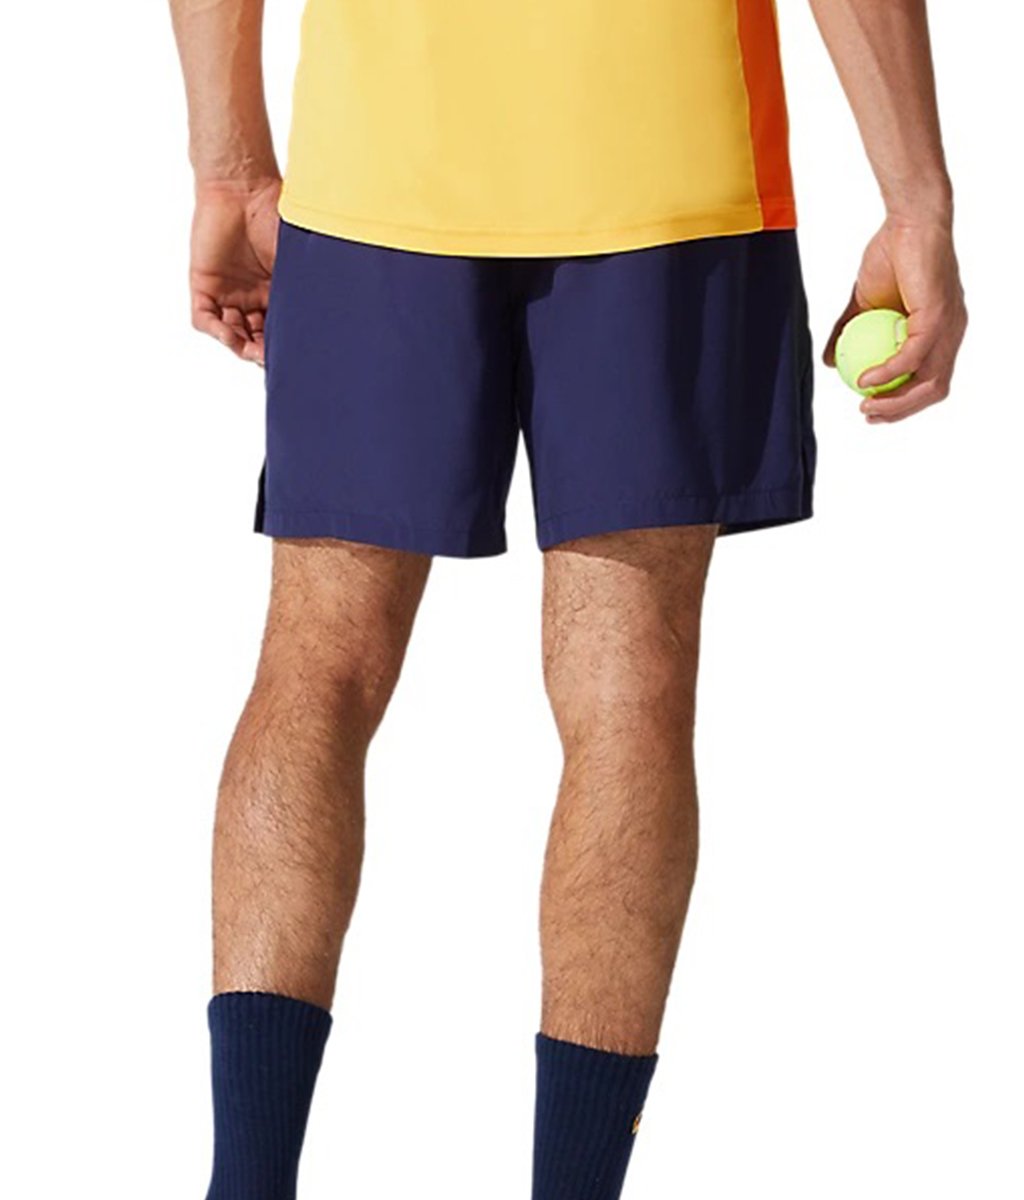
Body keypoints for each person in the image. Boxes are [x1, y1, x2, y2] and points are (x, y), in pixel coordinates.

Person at [168, 2, 967, 1197]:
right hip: (670, 158)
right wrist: (915, 203)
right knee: (624, 687)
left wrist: (230, 166)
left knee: (318, 666)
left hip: (381, 157)